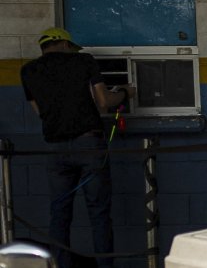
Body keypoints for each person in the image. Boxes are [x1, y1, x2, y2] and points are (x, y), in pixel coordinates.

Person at [21, 27, 129, 268]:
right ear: (64, 44)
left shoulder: (28, 70)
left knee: (59, 215)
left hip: (55, 148)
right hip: (89, 144)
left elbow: (39, 112)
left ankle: (60, 265)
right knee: (99, 214)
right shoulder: (83, 61)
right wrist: (123, 93)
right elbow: (103, 102)